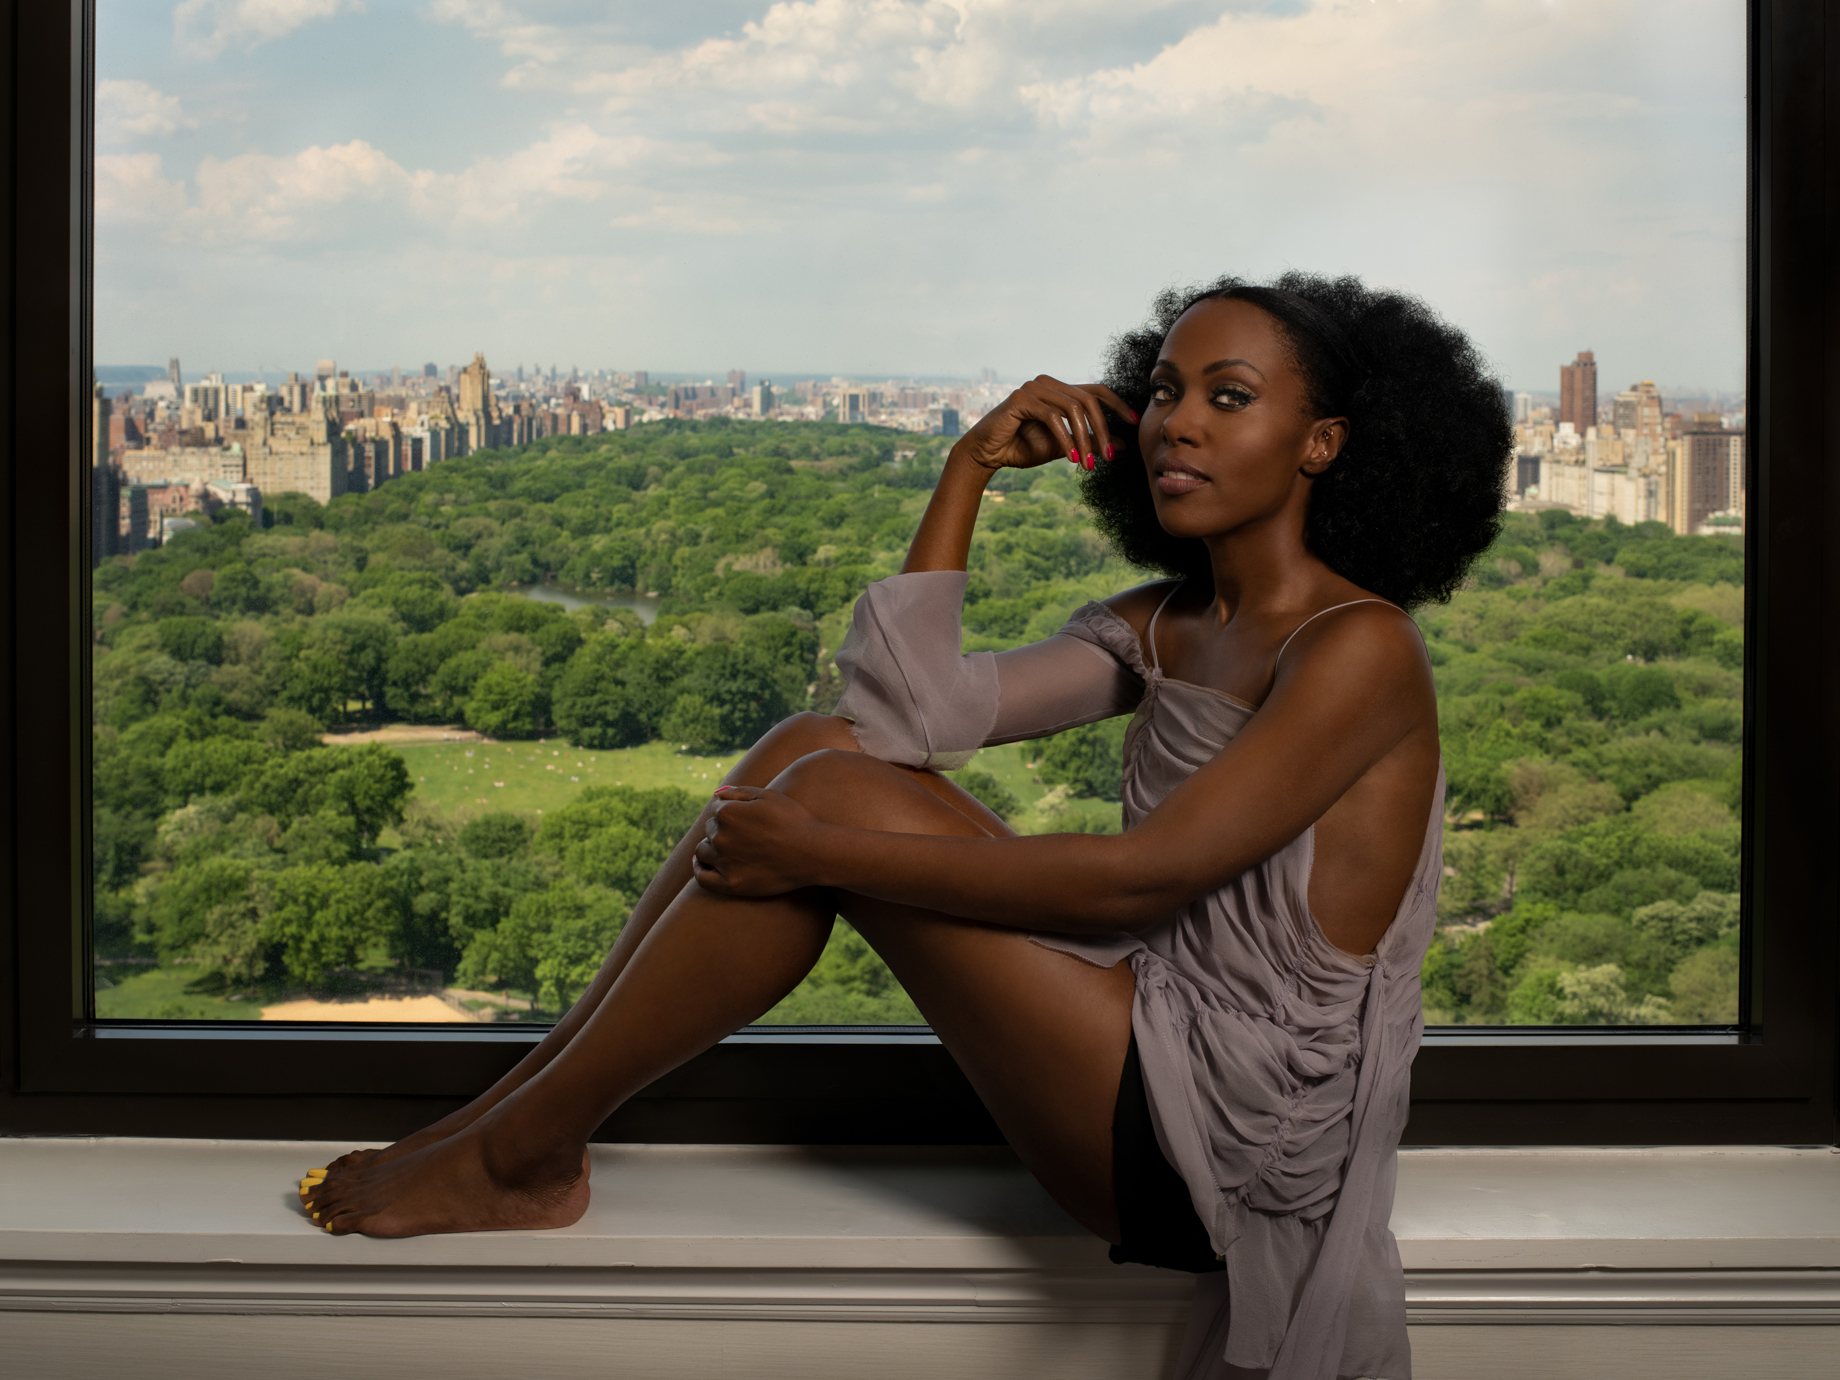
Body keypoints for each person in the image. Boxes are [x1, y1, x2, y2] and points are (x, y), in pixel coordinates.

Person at [300, 272, 1510, 1380]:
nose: (1175, 422)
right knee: (805, 748)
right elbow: (904, 718)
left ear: (1323, 444)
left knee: (812, 798)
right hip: (1154, 1033)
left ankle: (522, 1155)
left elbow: (1139, 882)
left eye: (1228, 397)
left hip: (1234, 1138)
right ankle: (517, 1121)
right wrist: (970, 463)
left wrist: (814, 855)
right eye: (1162, 391)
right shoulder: (1169, 622)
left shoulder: (1358, 647)